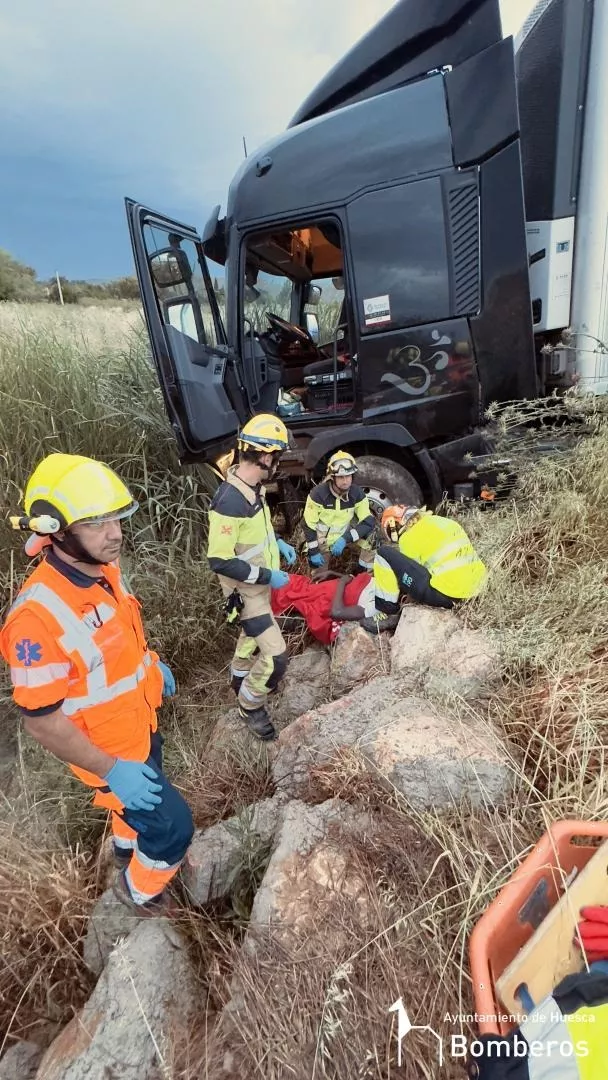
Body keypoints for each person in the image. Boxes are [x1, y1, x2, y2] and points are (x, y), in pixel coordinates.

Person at [0, 453, 194, 914]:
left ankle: (127, 848)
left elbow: (115, 642)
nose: (116, 534)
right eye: (96, 523)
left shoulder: (103, 572)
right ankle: (141, 891)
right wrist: (111, 772)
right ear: (58, 531)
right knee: (174, 829)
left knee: (138, 809)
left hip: (140, 726)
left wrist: (151, 662)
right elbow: (42, 723)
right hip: (109, 753)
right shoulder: (35, 619)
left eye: (116, 518)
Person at [206, 413, 296, 742]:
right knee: (276, 658)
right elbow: (219, 559)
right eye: (278, 456)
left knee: (250, 636)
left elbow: (251, 535)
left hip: (257, 586)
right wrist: (267, 574)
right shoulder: (230, 500)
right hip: (247, 593)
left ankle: (238, 676)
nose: (278, 463)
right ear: (266, 455)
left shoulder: (252, 488)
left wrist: (278, 543)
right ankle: (250, 704)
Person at [363, 503, 488, 634]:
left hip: (447, 595)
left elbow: (411, 572)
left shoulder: (408, 537)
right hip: (477, 590)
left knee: (383, 553)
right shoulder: (446, 522)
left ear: (395, 525)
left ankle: (386, 612)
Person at [303, 451, 376, 571]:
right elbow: (308, 525)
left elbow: (368, 521)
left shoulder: (357, 494)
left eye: (348, 476)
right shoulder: (318, 494)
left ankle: (363, 573)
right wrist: (314, 551)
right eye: (341, 477)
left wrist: (345, 539)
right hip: (322, 542)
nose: (345, 481)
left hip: (345, 536)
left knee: (372, 538)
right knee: (319, 577)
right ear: (332, 477)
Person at [270, 569, 377, 645]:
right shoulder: (382, 583)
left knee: (291, 595)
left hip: (328, 599)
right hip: (327, 588)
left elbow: (337, 612)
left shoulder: (376, 605)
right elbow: (351, 580)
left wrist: (341, 582)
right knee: (294, 585)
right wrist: (333, 573)